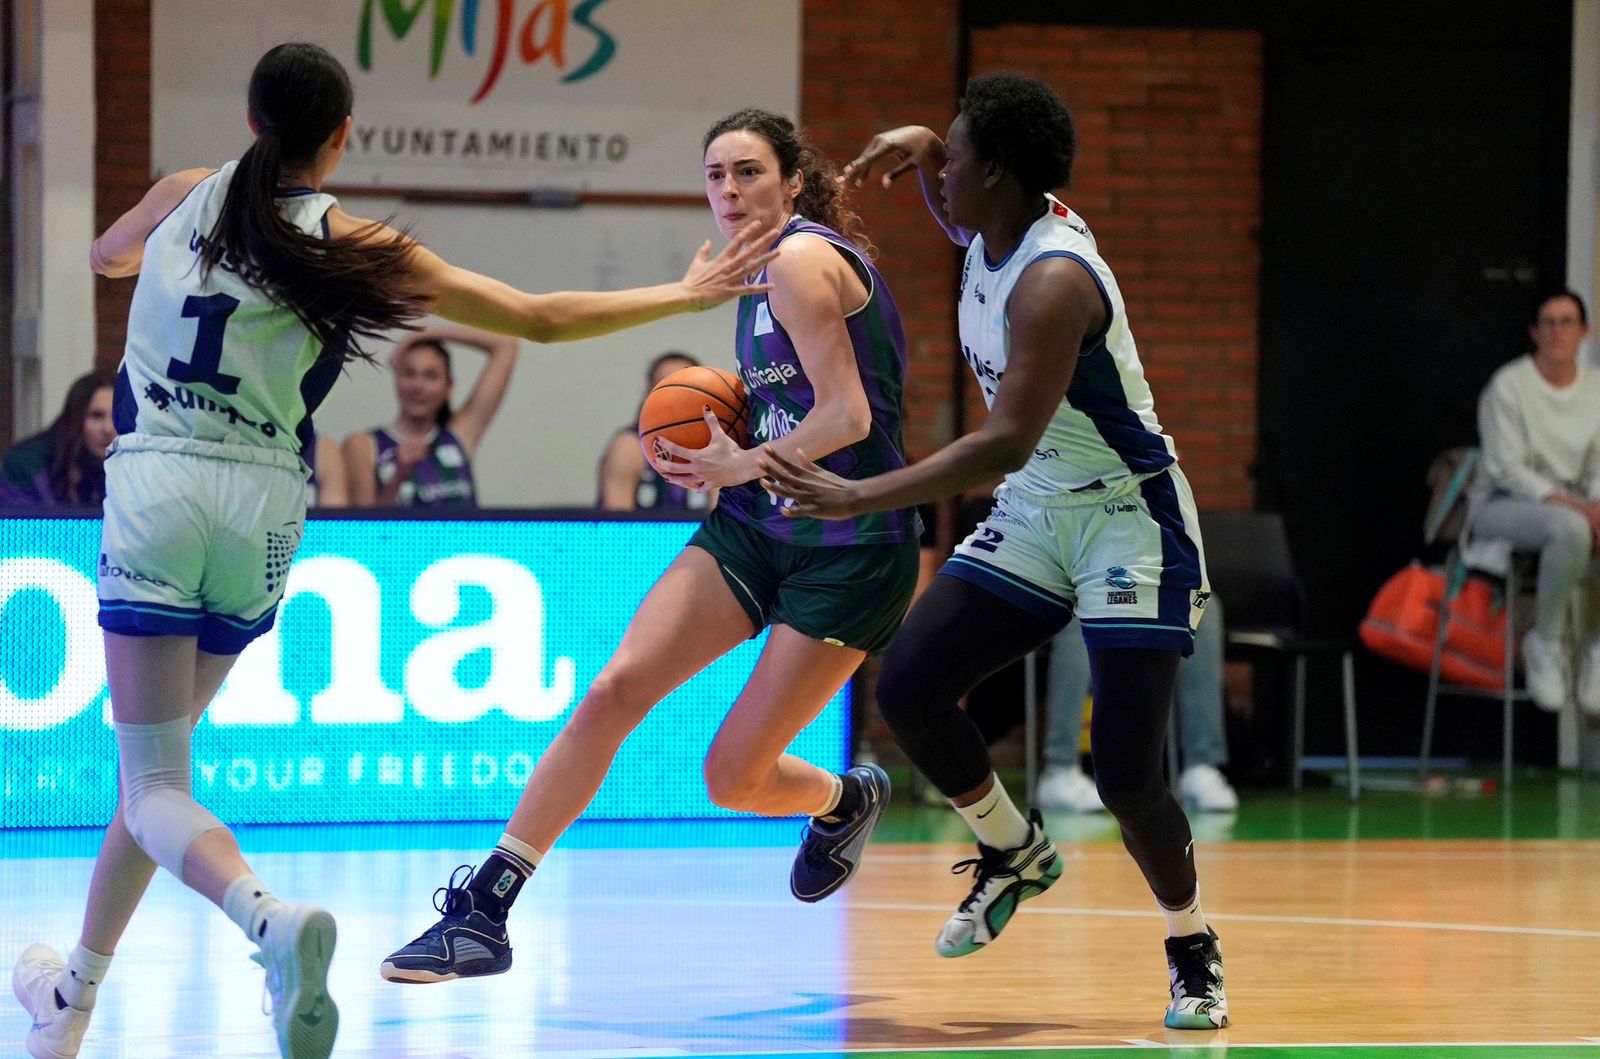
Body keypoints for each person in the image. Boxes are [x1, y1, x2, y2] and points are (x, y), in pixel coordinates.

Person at [10, 42, 773, 1059]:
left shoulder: (189, 192)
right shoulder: (351, 241)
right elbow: (539, 321)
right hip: (268, 499)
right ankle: (71, 1004)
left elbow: (107, 254)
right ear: (341, 138)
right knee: (158, 783)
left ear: (249, 121)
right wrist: (683, 298)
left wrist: (149, 239)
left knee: (153, 787)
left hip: (160, 482)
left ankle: (266, 923)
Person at [380, 108, 921, 984]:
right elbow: (796, 405)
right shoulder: (751, 277)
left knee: (731, 778)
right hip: (757, 521)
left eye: (748, 172)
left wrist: (737, 457)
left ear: (792, 181)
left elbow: (850, 416)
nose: (730, 190)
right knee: (613, 687)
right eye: (715, 174)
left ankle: (845, 795)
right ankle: (485, 909)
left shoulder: (799, 260)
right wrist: (715, 438)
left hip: (850, 546)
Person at [760, 73, 1227, 1029]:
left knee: (1127, 775)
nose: (943, 182)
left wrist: (857, 491)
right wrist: (931, 141)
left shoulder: (1054, 281)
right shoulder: (993, 227)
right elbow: (959, 202)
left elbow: (1004, 439)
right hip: (1043, 506)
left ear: (1003, 176)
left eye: (961, 160)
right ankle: (1014, 849)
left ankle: (1192, 946)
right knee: (910, 686)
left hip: (1128, 517)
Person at [1473, 289, 1600, 715]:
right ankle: (1545, 642)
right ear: (1533, 332)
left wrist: (1596, 500)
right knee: (1571, 528)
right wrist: (1579, 508)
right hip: (1504, 506)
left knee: (1580, 524)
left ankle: (1597, 654)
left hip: (1579, 505)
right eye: (1548, 322)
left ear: (1584, 331)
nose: (1557, 331)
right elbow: (1506, 468)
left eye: (1567, 322)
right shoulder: (1508, 386)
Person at [1041, 595, 1237, 813]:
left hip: (1142, 581)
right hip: (1083, 582)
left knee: (1201, 601)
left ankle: (1201, 766)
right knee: (1081, 607)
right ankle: (1059, 768)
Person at [342, 325, 517, 507]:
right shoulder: (365, 445)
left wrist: (423, 333)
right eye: (409, 374)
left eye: (431, 376)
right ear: (397, 380)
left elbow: (506, 345)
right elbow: (365, 528)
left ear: (448, 386)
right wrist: (398, 477)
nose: (418, 386)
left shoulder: (458, 436)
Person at [596, 350, 711, 511]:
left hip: (699, 535)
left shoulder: (714, 449)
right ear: (649, 395)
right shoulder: (629, 447)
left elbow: (724, 523)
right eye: (665, 387)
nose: (674, 397)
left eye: (685, 386)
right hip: (640, 536)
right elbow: (616, 526)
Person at [0, 370, 117, 506]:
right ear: (75, 418)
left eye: (117, 417)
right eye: (96, 416)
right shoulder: (27, 464)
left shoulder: (136, 466)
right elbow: (16, 524)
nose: (108, 429)